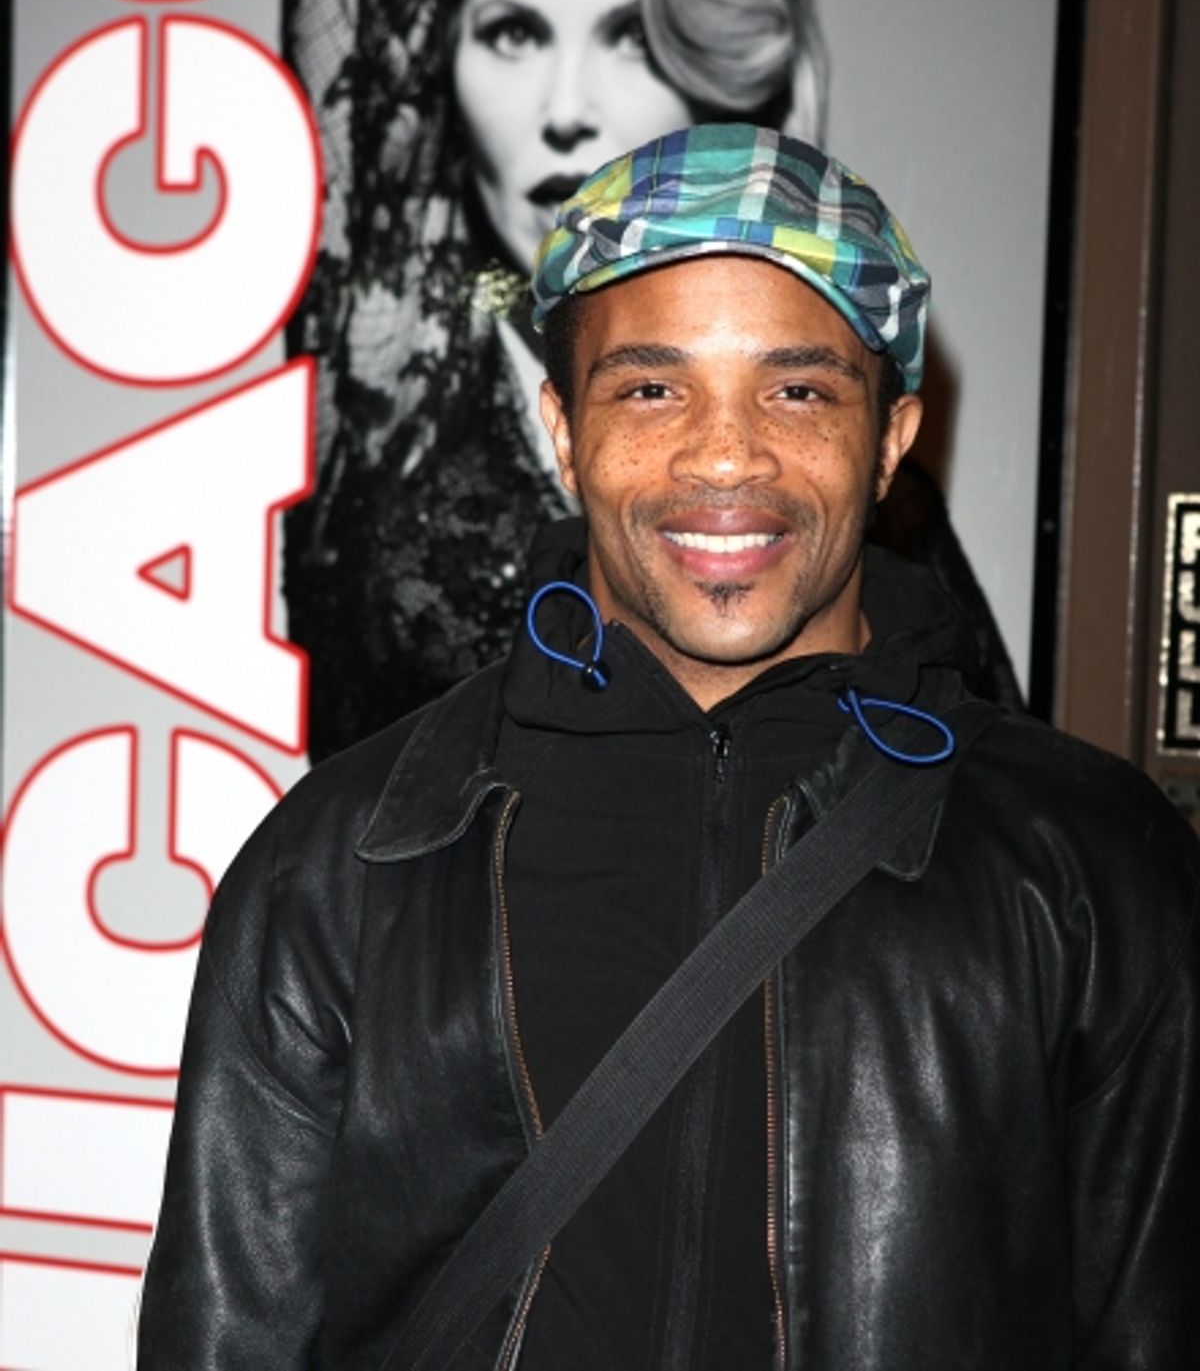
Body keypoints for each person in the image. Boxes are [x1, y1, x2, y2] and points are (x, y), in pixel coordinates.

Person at [139, 124, 1199, 1369]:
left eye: (798, 388)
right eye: (652, 387)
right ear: (560, 426)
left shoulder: (1094, 862)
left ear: (895, 435)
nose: (725, 455)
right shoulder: (347, 857)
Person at [285, 0, 1017, 762]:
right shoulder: (365, 423)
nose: (566, 111)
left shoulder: (880, 527)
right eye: (513, 32)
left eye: (631, 34)